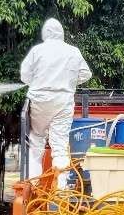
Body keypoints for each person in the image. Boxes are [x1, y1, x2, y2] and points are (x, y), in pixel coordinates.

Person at [20, 18, 92, 180]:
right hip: (63, 101)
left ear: (45, 33)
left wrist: (38, 82)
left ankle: (33, 185)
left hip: (40, 100)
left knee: (37, 140)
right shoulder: (73, 51)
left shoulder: (37, 51)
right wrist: (70, 81)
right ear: (61, 33)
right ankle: (61, 191)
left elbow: (25, 76)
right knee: (59, 147)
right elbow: (86, 74)